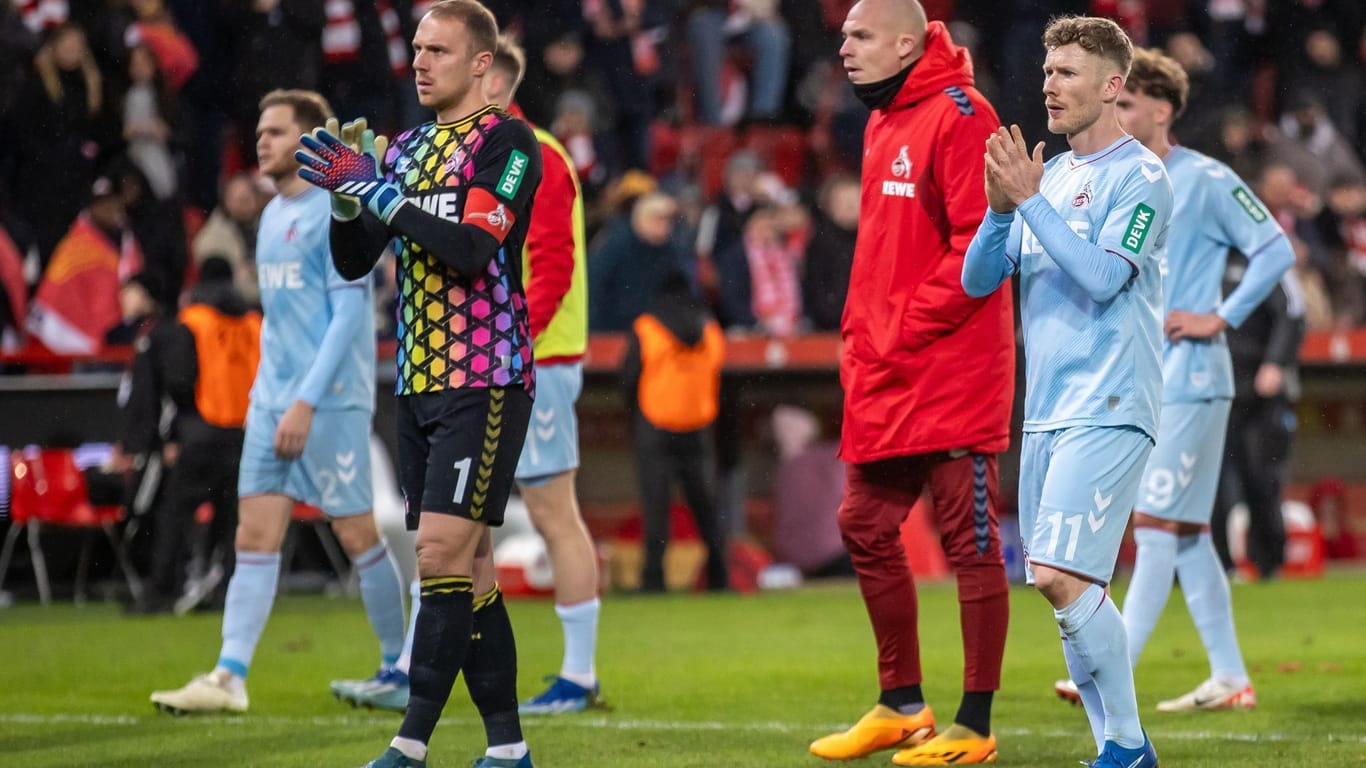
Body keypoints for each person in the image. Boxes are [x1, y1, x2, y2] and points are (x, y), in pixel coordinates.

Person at [293, 2, 543, 766]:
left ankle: (410, 744)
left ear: (481, 64)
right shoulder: (402, 150)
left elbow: (470, 249)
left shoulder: (507, 142)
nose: (420, 61)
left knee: (435, 553)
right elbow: (353, 262)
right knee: (467, 570)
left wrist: (380, 197)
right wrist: (346, 206)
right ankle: (508, 752)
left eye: (439, 49)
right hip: (419, 380)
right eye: (417, 47)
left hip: (487, 377)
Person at [149, 89, 407, 715]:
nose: (260, 141)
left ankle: (399, 667)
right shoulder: (269, 215)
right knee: (255, 538)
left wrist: (305, 402)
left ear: (311, 140)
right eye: (258, 130)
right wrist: (271, 396)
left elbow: (351, 315)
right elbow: (281, 320)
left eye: (275, 131)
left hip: (328, 402)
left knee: (354, 532)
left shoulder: (334, 211)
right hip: (271, 404)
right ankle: (229, 676)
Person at [1054, 47, 1294, 715]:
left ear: (1160, 109)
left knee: (1156, 526)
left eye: (1127, 103)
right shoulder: (1117, 179)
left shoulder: (1207, 179)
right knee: (1186, 536)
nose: (1117, 112)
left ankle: (1108, 670)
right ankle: (1229, 676)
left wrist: (1220, 317)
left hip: (1193, 377)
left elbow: (1276, 249)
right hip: (1141, 374)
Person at [961, 15, 1171, 768]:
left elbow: (1106, 277)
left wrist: (1034, 203)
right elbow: (978, 281)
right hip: (1048, 410)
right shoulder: (1047, 178)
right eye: (1048, 71)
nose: (1050, 84)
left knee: (1058, 576)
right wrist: (999, 207)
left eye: (1069, 72)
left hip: (1112, 403)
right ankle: (1116, 748)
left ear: (1113, 87)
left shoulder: (1142, 178)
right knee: (1065, 588)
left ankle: (1127, 744)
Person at [808, 1, 1014, 765]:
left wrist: (896, 326)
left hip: (951, 368)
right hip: (890, 369)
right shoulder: (884, 116)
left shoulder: (962, 114)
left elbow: (982, 250)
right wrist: (869, 337)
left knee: (969, 542)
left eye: (860, 37)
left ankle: (977, 722)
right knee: (863, 524)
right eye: (844, 36)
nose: (845, 47)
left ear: (905, 43)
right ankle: (901, 703)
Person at [483, 35, 604, 716]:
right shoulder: (493, 153)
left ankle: (580, 677)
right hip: (496, 357)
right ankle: (416, 662)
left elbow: (551, 264)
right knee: (455, 522)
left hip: (536, 361)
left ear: (493, 79)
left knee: (556, 513)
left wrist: (511, 344)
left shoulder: (536, 155)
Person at [128, 258, 259, 616]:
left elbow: (180, 380)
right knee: (231, 522)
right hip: (244, 433)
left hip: (200, 431)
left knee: (174, 516)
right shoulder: (253, 322)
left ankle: (161, 591)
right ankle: (226, 593)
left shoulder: (193, 321)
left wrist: (176, 430)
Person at [619, 269, 729, 594]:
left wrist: (636, 416)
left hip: (655, 425)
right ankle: (719, 578)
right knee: (707, 508)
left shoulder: (647, 326)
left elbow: (627, 378)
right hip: (698, 427)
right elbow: (719, 375)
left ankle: (654, 580)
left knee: (656, 508)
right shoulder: (709, 328)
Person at [1213, 264, 1306, 579]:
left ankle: (1269, 563)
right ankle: (1217, 564)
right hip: (1212, 389)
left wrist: (1276, 362)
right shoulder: (1203, 250)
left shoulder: (1268, 253)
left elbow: (1292, 312)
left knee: (1262, 478)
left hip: (1259, 391)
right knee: (1209, 486)